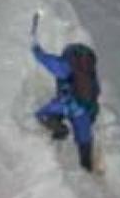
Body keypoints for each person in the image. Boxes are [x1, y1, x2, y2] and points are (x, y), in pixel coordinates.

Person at [31, 41, 100, 172]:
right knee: (84, 140)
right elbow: (96, 93)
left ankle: (60, 130)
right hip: (85, 110)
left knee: (42, 115)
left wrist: (37, 51)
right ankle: (87, 167)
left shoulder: (67, 65)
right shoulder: (90, 72)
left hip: (68, 104)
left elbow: (50, 62)